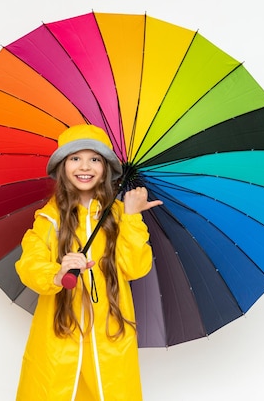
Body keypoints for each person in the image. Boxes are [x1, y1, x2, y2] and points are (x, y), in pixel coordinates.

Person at [14, 124, 163, 401]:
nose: (85, 166)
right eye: (75, 158)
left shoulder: (119, 214)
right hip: (59, 336)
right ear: (62, 165)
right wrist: (57, 274)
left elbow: (135, 267)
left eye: (94, 159)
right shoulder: (49, 219)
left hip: (110, 334)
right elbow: (29, 264)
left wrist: (131, 217)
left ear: (106, 168)